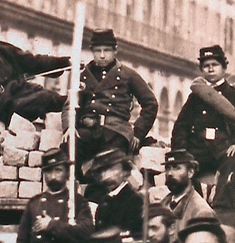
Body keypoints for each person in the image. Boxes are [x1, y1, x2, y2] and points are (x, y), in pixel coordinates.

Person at [61, 28, 158, 184]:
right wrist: (69, 126)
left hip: (116, 131)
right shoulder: (82, 75)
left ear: (115, 51)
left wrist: (139, 133)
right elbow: (70, 104)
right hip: (89, 130)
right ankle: (79, 187)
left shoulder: (128, 75)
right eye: (98, 51)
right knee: (68, 150)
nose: (102, 55)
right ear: (92, 51)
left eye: (107, 50)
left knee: (107, 167)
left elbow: (150, 103)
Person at [171, 45, 235, 178]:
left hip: (225, 151)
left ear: (224, 68)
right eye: (206, 66)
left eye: (215, 65)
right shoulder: (196, 97)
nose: (211, 69)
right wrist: (180, 150)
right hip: (198, 150)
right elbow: (182, 125)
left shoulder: (232, 94)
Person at [16, 148, 94, 243]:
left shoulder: (78, 202)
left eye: (58, 170)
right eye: (49, 171)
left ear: (67, 172)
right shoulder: (34, 204)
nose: (53, 176)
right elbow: (22, 239)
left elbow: (86, 233)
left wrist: (52, 225)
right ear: (43, 174)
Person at [82, 148, 143, 239]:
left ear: (125, 171)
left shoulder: (134, 200)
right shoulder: (104, 200)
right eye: (101, 170)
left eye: (110, 168)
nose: (105, 174)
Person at [161, 149, 216, 242]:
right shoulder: (163, 203)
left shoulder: (201, 212)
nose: (170, 173)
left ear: (190, 172)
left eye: (176, 168)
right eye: (168, 168)